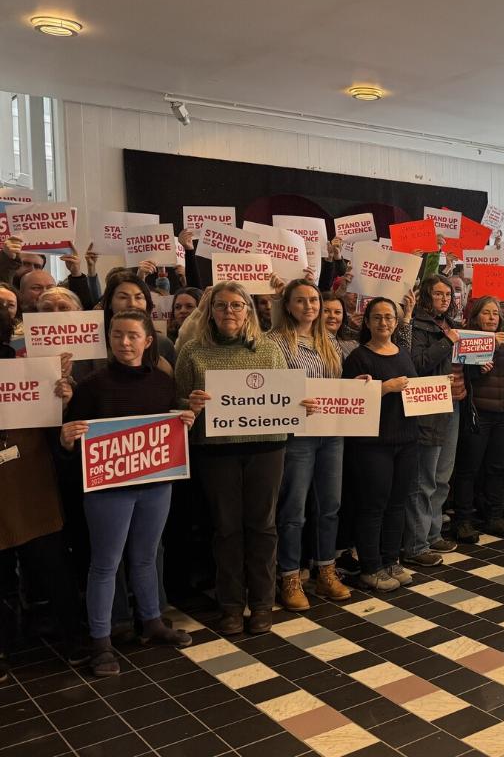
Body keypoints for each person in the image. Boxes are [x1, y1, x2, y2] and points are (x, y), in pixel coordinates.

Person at [60, 310, 195, 676]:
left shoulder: (163, 383)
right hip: (108, 490)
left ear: (148, 341)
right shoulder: (92, 385)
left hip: (155, 485)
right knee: (105, 564)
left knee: (146, 557)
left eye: (133, 335)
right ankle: (100, 642)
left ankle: (151, 621)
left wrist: (185, 420)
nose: (124, 342)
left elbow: (170, 429)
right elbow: (71, 438)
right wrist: (67, 439)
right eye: (117, 335)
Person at [174, 281, 299, 636]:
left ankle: (261, 603)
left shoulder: (269, 350)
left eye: (236, 305)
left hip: (266, 448)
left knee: (263, 527)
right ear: (209, 311)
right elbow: (178, 400)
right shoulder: (193, 351)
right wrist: (190, 405)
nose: (229, 312)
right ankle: (230, 605)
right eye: (221, 306)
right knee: (226, 529)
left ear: (248, 311)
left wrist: (299, 404)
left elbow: (283, 398)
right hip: (216, 451)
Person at [0, 306, 86, 677]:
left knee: (51, 563)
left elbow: (57, 429)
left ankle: (75, 639)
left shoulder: (25, 363)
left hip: (30, 472)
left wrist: (61, 397)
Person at [267, 278, 352, 611]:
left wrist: (354, 388)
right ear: (287, 305)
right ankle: (289, 576)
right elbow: (268, 393)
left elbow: (336, 383)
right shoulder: (273, 343)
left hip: (331, 431)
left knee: (329, 505)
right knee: (293, 510)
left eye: (314, 301)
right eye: (301, 301)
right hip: (296, 434)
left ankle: (325, 571)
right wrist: (292, 401)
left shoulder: (328, 339)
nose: (309, 307)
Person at [342, 297, 421, 591]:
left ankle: (391, 560)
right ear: (367, 322)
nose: (383, 323)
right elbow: (349, 402)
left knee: (397, 503)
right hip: (372, 444)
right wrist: (384, 388)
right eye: (377, 318)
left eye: (389, 317)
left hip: (406, 440)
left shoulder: (403, 353)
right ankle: (370, 566)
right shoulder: (358, 358)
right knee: (373, 506)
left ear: (396, 322)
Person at [453, 296, 504, 538]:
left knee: (498, 467)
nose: (491, 318)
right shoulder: (468, 340)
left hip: (503, 413)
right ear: (476, 316)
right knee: (469, 468)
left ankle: (494, 517)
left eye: (495, 314)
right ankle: (463, 520)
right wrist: (481, 361)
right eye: (486, 313)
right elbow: (463, 376)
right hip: (478, 413)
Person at [406, 275, 462, 566]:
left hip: (452, 404)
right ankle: (416, 544)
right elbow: (416, 364)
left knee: (442, 477)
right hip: (427, 406)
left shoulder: (451, 325)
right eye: (438, 294)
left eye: (448, 295)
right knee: (423, 479)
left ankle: (433, 534)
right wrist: (446, 341)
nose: (444, 299)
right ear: (426, 296)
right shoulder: (417, 325)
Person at [321, 292, 360, 357]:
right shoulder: (307, 344)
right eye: (326, 311)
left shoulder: (353, 346)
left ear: (343, 316)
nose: (332, 316)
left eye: (337, 312)